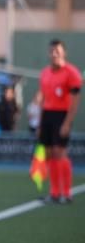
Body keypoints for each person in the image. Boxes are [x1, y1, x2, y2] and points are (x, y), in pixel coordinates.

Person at [37, 38, 81, 204]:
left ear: (64, 53)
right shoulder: (45, 73)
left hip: (62, 115)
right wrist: (41, 123)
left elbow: (75, 100)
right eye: (52, 51)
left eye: (58, 51)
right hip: (48, 115)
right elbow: (44, 99)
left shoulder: (72, 73)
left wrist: (67, 123)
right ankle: (54, 193)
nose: (54, 54)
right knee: (49, 154)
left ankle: (67, 193)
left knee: (60, 152)